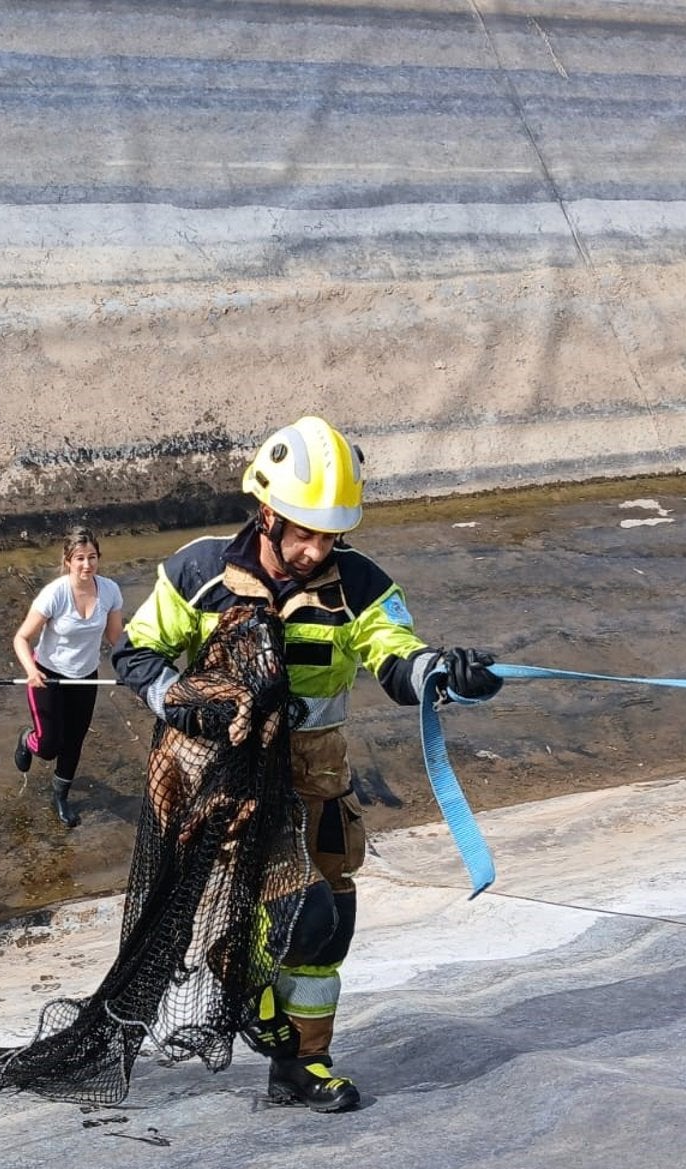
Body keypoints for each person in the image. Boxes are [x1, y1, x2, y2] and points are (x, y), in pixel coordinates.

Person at [111, 416, 503, 1111]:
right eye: (304, 531)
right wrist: (180, 701)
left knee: (331, 927)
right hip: (226, 778)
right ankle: (240, 972)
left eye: (331, 535)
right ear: (267, 512)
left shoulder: (361, 586)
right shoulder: (199, 572)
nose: (317, 548)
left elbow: (395, 656)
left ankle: (302, 1066)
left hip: (316, 781)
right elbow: (137, 653)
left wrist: (444, 673)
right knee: (304, 911)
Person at [10, 526, 126, 828]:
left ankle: (61, 797)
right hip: (48, 676)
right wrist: (31, 671)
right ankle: (27, 738)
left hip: (85, 677)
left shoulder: (110, 590)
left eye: (92, 558)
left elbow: (116, 637)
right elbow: (21, 638)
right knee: (49, 746)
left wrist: (137, 663)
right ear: (68, 561)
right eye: (80, 559)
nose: (87, 565)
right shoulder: (54, 594)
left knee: (74, 741)